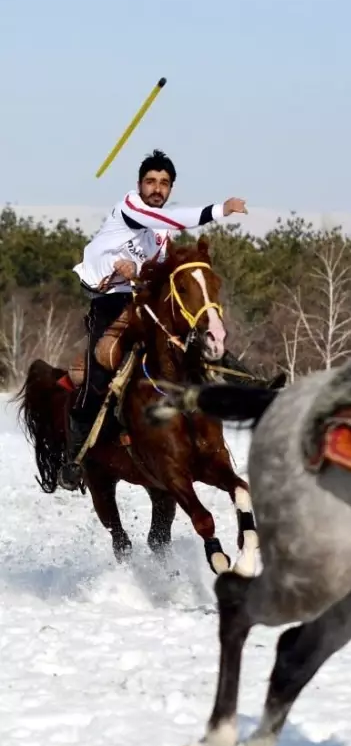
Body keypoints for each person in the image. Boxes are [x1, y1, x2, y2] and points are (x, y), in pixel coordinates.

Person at [58, 149, 248, 491]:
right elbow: (177, 220)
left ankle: (238, 375)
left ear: (170, 188)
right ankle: (75, 455)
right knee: (102, 366)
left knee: (188, 333)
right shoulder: (131, 207)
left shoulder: (160, 238)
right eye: (151, 182)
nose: (157, 189)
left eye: (164, 183)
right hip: (107, 300)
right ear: (139, 186)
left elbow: (159, 278)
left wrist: (146, 279)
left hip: (138, 302)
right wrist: (221, 209)